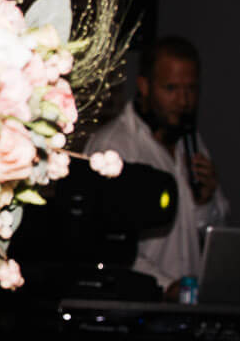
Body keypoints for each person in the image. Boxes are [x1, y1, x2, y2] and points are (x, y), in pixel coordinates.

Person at [84, 34, 228, 295]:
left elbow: (208, 236)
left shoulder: (192, 143)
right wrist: (164, 285)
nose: (184, 101)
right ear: (145, 86)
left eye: (191, 89)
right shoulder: (115, 146)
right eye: (171, 89)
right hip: (135, 302)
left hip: (187, 306)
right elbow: (104, 242)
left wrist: (205, 202)